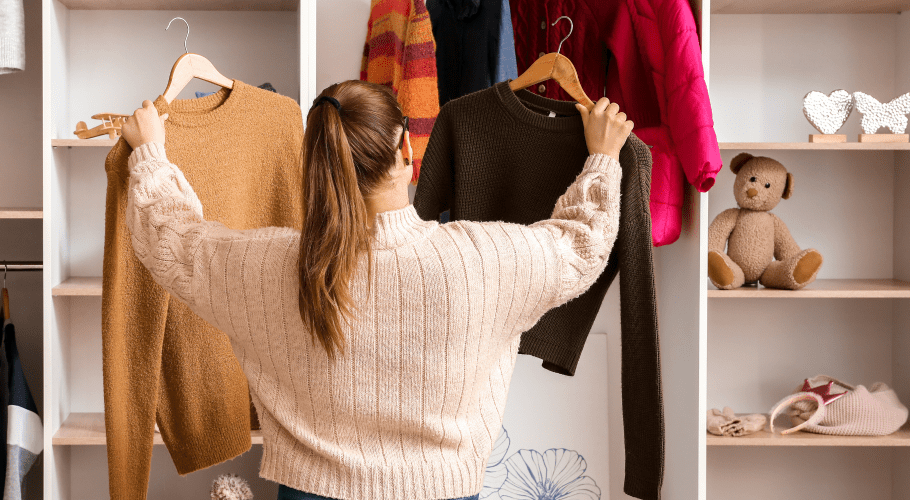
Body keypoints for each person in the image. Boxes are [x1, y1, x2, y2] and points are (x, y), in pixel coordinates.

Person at [120, 80, 632, 500]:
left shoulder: (267, 266)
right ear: (406, 148)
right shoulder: (483, 260)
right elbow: (582, 245)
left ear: (315, 162)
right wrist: (603, 158)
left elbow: (171, 242)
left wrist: (149, 154)